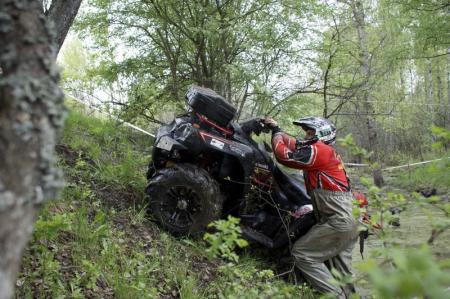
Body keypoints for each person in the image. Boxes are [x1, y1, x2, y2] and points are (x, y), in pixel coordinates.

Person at [264, 116, 359, 299]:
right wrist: (277, 128)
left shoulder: (320, 150)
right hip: (353, 218)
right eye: (306, 132)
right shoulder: (324, 151)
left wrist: (276, 136)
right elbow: (294, 143)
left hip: (339, 220)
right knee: (341, 270)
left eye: (310, 132)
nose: (306, 135)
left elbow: (284, 156)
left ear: (321, 135)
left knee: (303, 254)